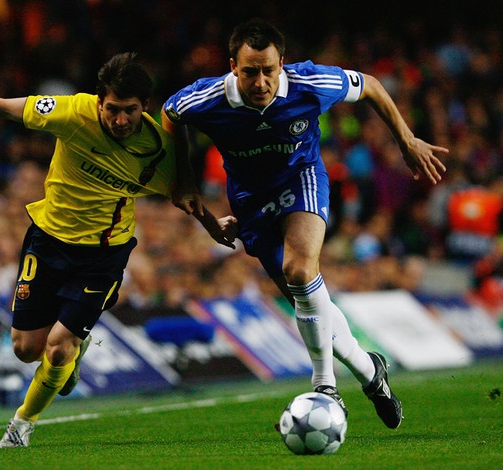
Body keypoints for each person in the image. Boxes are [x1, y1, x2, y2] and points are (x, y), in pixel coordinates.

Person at [0, 52, 235, 448]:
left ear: (145, 108)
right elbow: (3, 108)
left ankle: (22, 424)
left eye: (130, 112)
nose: (120, 121)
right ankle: (76, 349)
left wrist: (213, 223)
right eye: (113, 110)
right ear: (99, 101)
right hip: (47, 240)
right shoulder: (71, 113)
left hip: (103, 256)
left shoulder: (158, 151)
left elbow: (184, 197)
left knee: (56, 346)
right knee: (25, 349)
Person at [162, 18, 449, 430]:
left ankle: (325, 387)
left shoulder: (311, 83)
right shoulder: (206, 99)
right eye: (249, 71)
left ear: (282, 64)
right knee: (310, 303)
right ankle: (371, 373)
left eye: (268, 70)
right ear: (232, 66)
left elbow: (369, 85)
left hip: (302, 180)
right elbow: (170, 116)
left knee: (300, 270)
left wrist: (406, 140)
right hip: (250, 202)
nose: (260, 81)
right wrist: (184, 182)